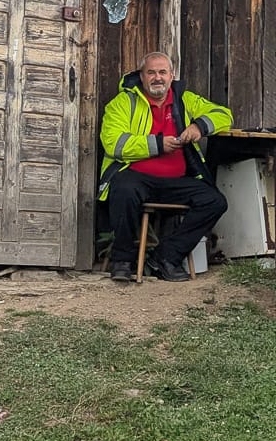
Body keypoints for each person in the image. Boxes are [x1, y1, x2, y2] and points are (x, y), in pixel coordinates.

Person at [98, 51, 231, 283]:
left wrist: (199, 127)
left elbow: (224, 114)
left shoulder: (184, 99)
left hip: (176, 181)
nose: (157, 78)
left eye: (162, 72)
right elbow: (113, 143)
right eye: (151, 72)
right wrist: (158, 145)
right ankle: (123, 260)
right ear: (141, 76)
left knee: (214, 201)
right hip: (136, 176)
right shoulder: (123, 102)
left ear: (171, 76)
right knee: (124, 189)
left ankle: (165, 257)